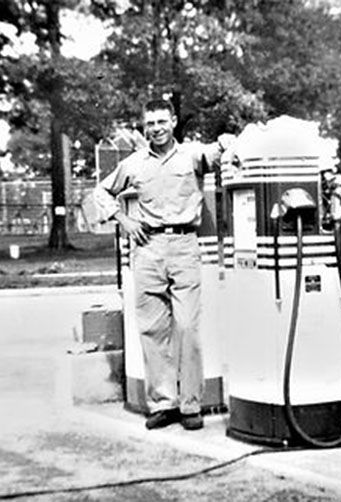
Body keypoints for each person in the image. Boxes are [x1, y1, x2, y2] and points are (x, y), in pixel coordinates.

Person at [93, 99, 232, 431]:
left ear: (173, 122)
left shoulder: (192, 155)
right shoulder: (133, 163)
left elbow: (220, 153)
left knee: (187, 327)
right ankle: (163, 403)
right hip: (147, 248)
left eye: (161, 121)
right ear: (144, 127)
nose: (155, 128)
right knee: (153, 329)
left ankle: (190, 405)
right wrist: (122, 219)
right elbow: (101, 192)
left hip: (184, 245)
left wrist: (227, 141)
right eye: (149, 123)